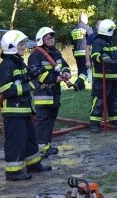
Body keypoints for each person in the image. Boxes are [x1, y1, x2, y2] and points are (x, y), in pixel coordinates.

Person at [0, 30, 51, 181]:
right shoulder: (6, 65)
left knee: (29, 138)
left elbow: (23, 79)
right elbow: (6, 89)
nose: (24, 47)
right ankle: (13, 171)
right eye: (21, 44)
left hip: (24, 108)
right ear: (12, 46)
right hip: (13, 111)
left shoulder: (18, 62)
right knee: (16, 141)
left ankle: (34, 164)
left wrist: (32, 74)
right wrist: (28, 87)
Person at [28, 27, 72, 158]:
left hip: (55, 93)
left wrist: (66, 72)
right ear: (41, 40)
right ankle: (41, 148)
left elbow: (64, 65)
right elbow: (38, 75)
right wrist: (56, 78)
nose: (51, 39)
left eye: (52, 37)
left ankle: (47, 145)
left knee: (51, 119)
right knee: (42, 121)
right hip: (43, 94)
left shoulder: (56, 53)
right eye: (48, 37)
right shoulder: (35, 56)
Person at [89, 19, 117, 132]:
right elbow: (94, 55)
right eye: (112, 30)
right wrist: (102, 57)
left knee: (114, 101)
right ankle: (94, 124)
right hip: (102, 79)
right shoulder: (98, 42)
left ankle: (115, 122)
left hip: (114, 78)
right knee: (100, 101)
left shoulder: (109, 42)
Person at [71, 13, 93, 85]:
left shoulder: (74, 29)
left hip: (76, 53)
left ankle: (80, 87)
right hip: (85, 52)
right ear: (84, 19)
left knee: (80, 70)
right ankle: (78, 83)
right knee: (87, 70)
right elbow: (92, 38)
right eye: (87, 19)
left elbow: (72, 42)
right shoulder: (87, 27)